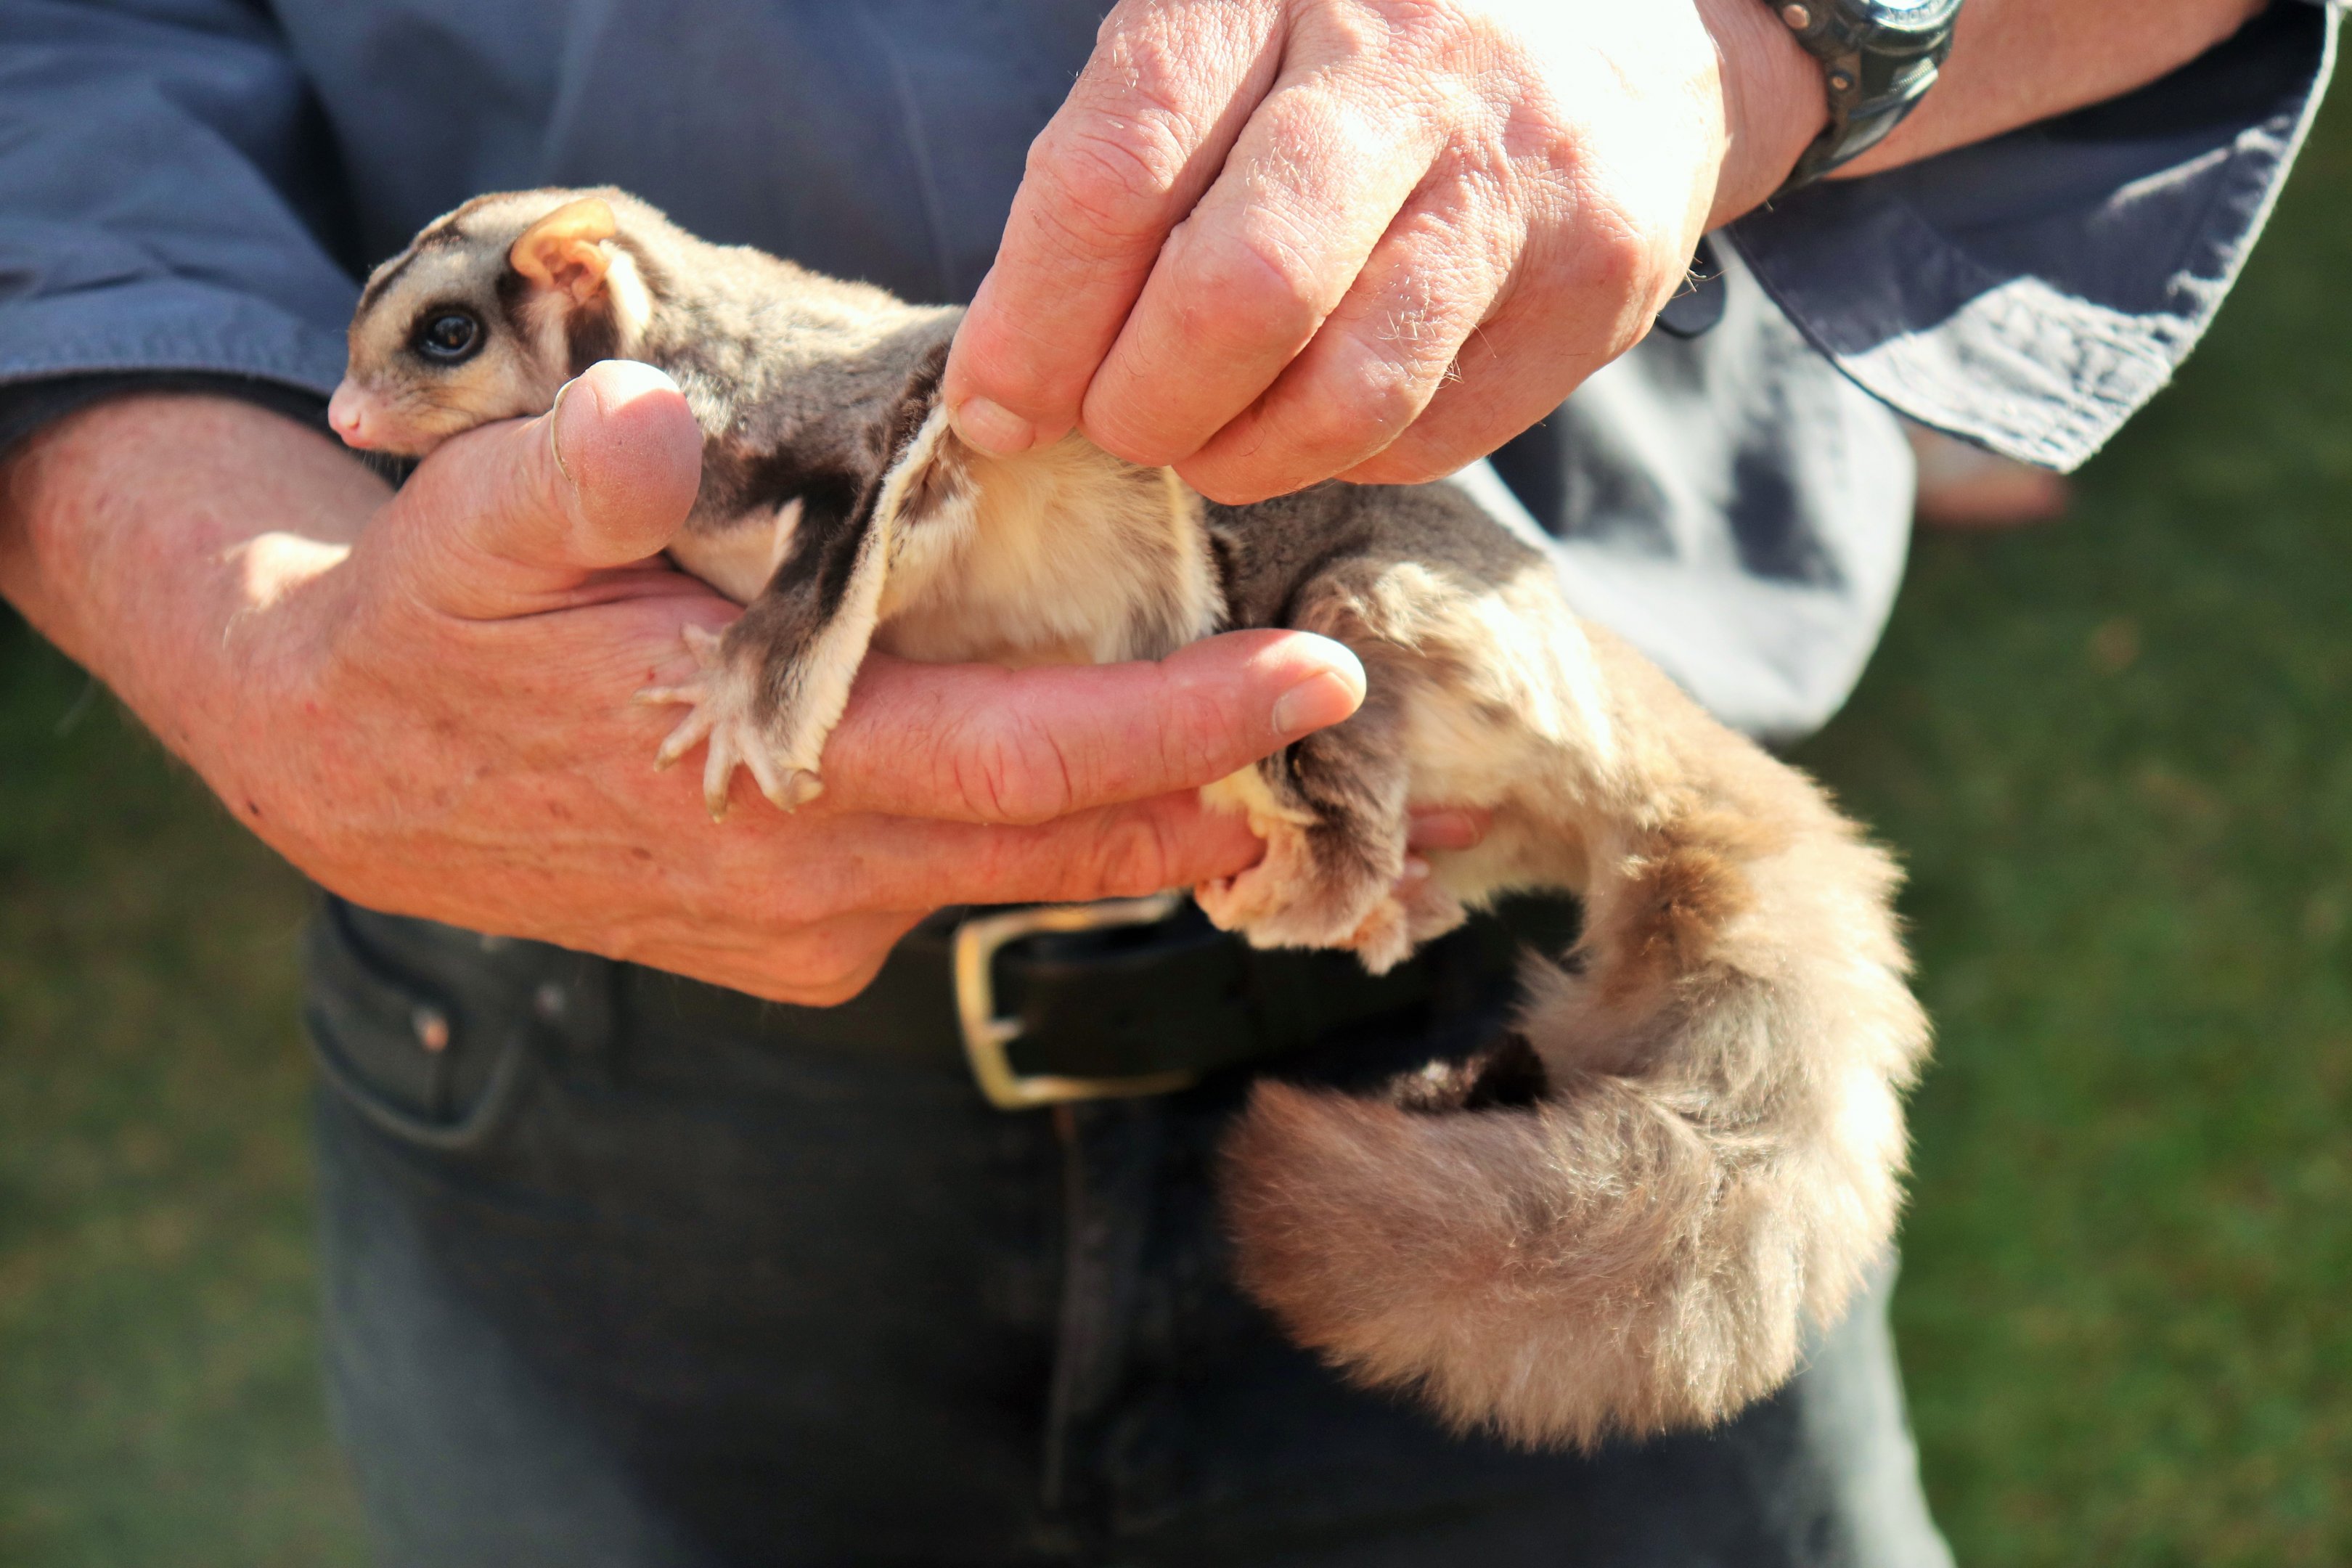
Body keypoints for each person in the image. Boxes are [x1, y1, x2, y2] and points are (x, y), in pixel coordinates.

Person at [0, 1, 2332, 1562]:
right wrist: (242, 609)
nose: (375, 415)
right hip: (564, 1064)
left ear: (584, 308)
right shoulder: (694, 406)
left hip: (1478, 939)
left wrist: (1756, 28)